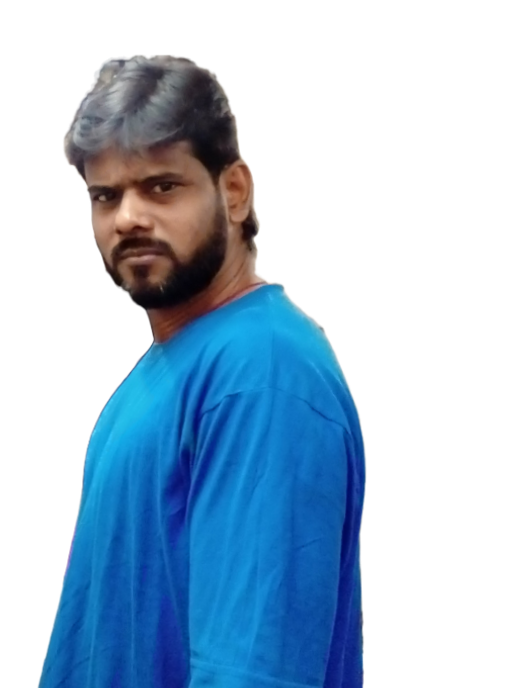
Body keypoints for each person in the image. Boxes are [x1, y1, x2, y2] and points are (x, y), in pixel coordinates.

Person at [38, 54, 366, 687]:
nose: (128, 217)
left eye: (162, 186)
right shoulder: (156, 377)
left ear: (235, 191)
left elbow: (253, 673)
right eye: (106, 195)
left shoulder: (262, 372)